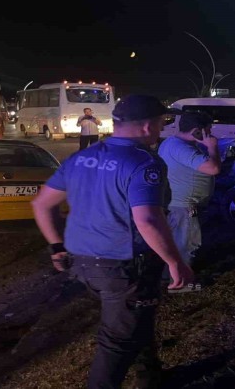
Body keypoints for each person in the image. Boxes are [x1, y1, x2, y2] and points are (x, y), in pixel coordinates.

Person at [30, 94, 193, 388]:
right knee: (117, 341)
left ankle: (151, 378)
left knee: (136, 318)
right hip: (123, 267)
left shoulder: (80, 157)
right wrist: (175, 262)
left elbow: (42, 204)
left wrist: (56, 246)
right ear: (147, 126)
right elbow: (147, 219)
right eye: (161, 123)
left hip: (82, 264)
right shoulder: (145, 162)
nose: (161, 129)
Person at [158, 111, 220, 275]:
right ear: (197, 131)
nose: (210, 134)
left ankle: (171, 277)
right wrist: (212, 146)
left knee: (177, 243)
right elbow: (213, 168)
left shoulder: (172, 142)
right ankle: (180, 281)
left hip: (180, 203)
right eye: (208, 130)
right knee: (185, 245)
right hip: (184, 207)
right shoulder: (181, 148)